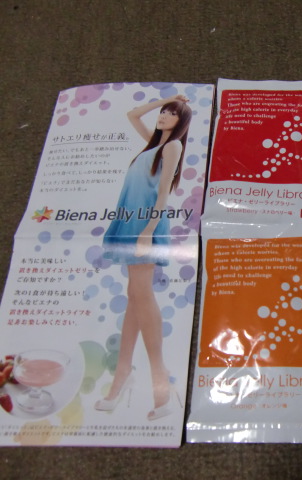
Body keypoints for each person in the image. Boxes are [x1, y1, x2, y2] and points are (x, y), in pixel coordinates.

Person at [95, 94, 192, 421]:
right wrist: (167, 98)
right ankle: (124, 372)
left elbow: (163, 193)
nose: (164, 115)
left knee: (141, 292)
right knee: (134, 294)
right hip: (130, 220)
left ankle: (158, 378)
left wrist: (149, 230)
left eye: (172, 113)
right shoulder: (153, 145)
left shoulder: (172, 147)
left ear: (181, 121)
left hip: (145, 224)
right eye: (164, 111)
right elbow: (133, 114)